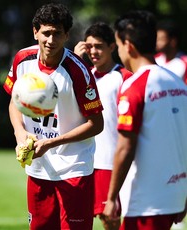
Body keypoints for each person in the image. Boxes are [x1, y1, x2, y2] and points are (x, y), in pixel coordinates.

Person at [3, 3, 104, 230]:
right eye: (46, 33)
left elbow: (96, 124)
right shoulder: (22, 59)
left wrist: (51, 143)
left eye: (57, 33)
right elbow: (14, 102)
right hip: (39, 168)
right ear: (35, 31)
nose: (50, 40)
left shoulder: (79, 71)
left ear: (66, 35)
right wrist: (20, 132)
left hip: (74, 169)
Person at [103, 10, 187, 230]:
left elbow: (125, 147)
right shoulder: (179, 84)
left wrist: (111, 198)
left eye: (118, 45)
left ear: (128, 45)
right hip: (173, 196)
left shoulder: (135, 86)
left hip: (145, 202)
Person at [74, 22, 132, 230]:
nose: (93, 52)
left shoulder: (124, 78)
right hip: (84, 160)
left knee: (110, 220)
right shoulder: (81, 75)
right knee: (80, 219)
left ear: (112, 47)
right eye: (89, 46)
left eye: (98, 46)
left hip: (110, 162)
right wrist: (75, 61)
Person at [155, 19, 187, 84]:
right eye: (156, 39)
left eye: (161, 39)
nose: (157, 42)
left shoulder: (185, 62)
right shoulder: (155, 59)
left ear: (173, 41)